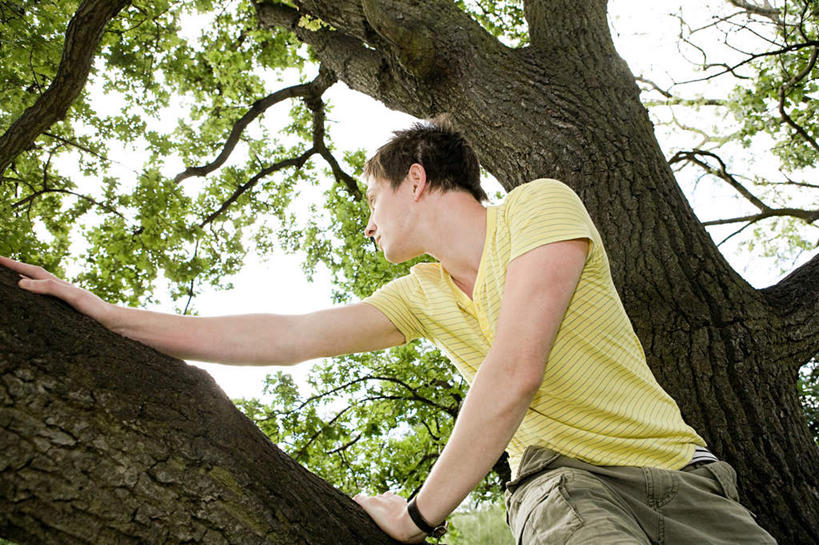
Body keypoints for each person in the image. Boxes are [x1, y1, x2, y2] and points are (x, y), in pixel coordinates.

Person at [2, 120, 776, 544]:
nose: (366, 222)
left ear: (414, 176)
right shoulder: (422, 295)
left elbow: (514, 370)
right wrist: (106, 313)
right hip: (566, 484)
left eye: (370, 197)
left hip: (691, 480)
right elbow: (283, 336)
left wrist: (415, 515)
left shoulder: (538, 207)